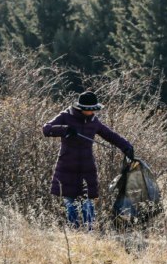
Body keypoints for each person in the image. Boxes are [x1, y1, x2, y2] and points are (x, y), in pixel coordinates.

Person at [42, 91, 134, 229]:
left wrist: (126, 147)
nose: (92, 112)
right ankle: (74, 231)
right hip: (67, 166)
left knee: (88, 201)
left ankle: (89, 231)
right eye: (89, 109)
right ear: (80, 108)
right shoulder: (65, 116)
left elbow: (110, 135)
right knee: (70, 201)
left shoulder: (93, 121)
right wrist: (65, 130)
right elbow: (46, 129)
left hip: (87, 168)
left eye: (93, 109)